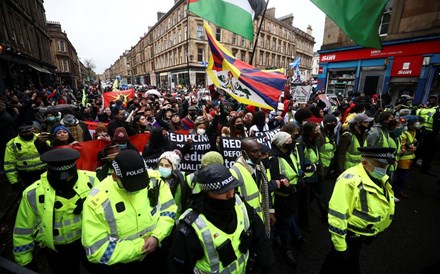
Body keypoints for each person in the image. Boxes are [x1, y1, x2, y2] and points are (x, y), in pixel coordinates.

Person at [169, 164, 276, 273]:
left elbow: (261, 236)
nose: (230, 195)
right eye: (223, 191)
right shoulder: (190, 227)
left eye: (232, 188)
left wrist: (269, 265)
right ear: (207, 192)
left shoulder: (239, 204)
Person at [81, 150, 177, 272]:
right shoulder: (97, 201)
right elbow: (97, 250)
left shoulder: (154, 181)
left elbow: (168, 211)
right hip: (121, 266)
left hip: (155, 257)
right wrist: (140, 247)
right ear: (115, 176)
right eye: (130, 185)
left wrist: (157, 236)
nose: (136, 189)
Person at [13, 148, 97, 274]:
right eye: (61, 178)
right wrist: (25, 261)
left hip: (89, 241)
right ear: (48, 171)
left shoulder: (92, 180)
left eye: (70, 176)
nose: (66, 180)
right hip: (58, 250)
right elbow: (23, 229)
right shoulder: (33, 194)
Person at [321, 147, 396, 274]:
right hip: (349, 238)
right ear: (364, 162)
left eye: (385, 166)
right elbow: (337, 216)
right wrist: (340, 248)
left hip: (360, 238)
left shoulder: (375, 176)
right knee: (345, 265)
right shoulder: (349, 181)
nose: (383, 170)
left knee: (334, 265)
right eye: (380, 166)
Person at [268, 131, 304, 266]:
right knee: (285, 225)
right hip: (282, 198)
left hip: (293, 195)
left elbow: (295, 171)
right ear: (282, 144)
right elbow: (276, 180)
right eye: (289, 140)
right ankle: (287, 250)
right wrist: (290, 188)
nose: (292, 142)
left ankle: (283, 239)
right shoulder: (274, 159)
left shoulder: (290, 154)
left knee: (287, 221)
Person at [4, 123, 47, 192]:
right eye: (24, 132)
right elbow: (9, 165)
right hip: (27, 176)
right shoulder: (12, 144)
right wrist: (14, 182)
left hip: (45, 172)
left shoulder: (41, 138)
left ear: (32, 130)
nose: (27, 134)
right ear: (18, 132)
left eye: (28, 131)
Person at [416, 95, 440, 175]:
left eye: (434, 99)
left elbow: (420, 115)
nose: (432, 100)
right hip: (432, 134)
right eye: (431, 99)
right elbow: (436, 125)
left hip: (425, 132)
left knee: (421, 149)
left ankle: (416, 163)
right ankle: (425, 168)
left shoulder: (427, 109)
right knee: (429, 152)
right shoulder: (436, 110)